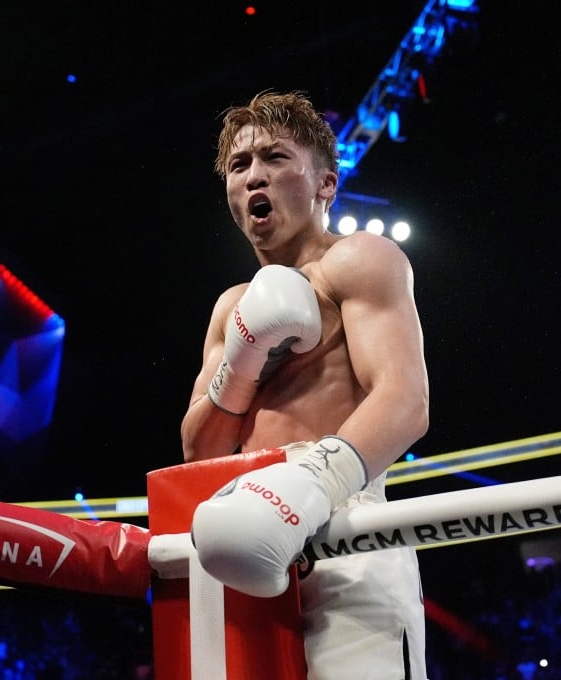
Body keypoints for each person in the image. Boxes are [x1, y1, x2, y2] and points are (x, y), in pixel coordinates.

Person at [182, 90, 430, 680]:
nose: (254, 176)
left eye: (275, 158)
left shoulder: (361, 259)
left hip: (343, 524)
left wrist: (309, 482)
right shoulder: (230, 308)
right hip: (241, 534)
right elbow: (198, 450)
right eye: (240, 166)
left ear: (324, 184)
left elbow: (404, 400)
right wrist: (242, 360)